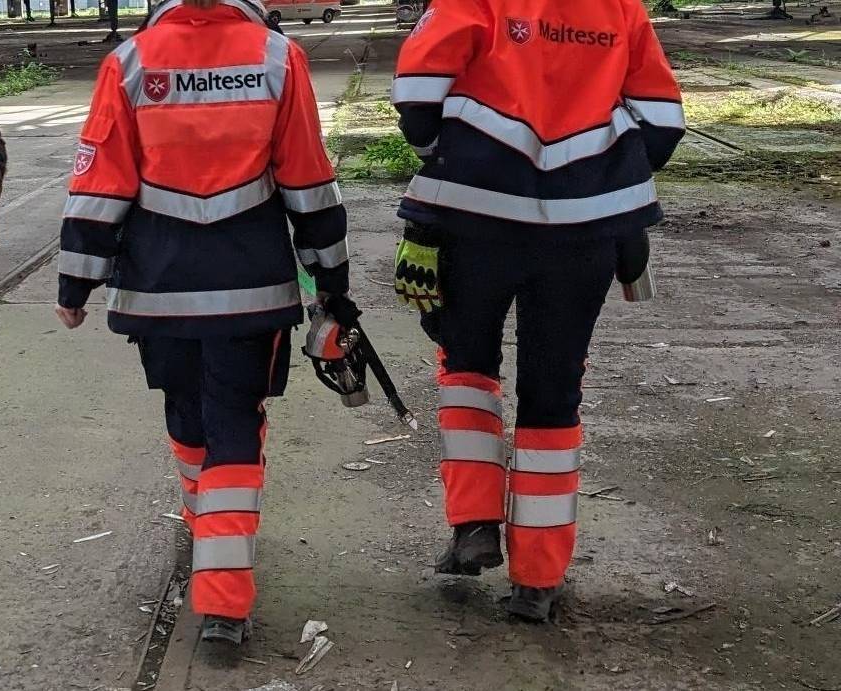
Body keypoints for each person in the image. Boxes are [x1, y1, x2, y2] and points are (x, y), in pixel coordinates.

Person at [54, 0, 350, 645]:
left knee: (186, 414)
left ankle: (205, 528)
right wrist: (331, 277)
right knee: (236, 422)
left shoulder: (130, 62)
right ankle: (224, 598)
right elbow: (307, 176)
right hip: (251, 292)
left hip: (159, 294)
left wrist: (76, 281)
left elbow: (102, 180)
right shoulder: (278, 58)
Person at [389, 0, 684, 620]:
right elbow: (662, 122)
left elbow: (416, 96)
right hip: (583, 234)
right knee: (554, 389)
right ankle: (538, 578)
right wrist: (608, 185)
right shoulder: (621, 7)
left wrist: (448, 159)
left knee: (466, 365)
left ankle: (473, 524)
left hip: (475, 219)